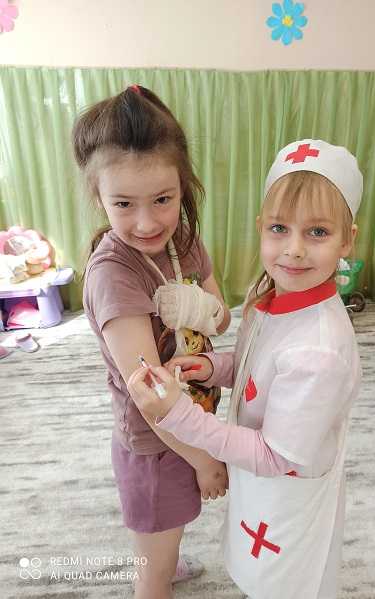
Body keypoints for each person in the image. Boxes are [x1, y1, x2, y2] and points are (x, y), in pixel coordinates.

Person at [127, 139, 363, 599]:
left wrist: (179, 415)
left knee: (286, 584)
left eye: (317, 232)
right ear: (260, 228)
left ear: (347, 239)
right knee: (257, 569)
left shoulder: (319, 353)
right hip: (259, 482)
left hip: (285, 489)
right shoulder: (272, 296)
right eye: (279, 228)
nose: (294, 250)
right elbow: (259, 365)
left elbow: (275, 456)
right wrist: (214, 367)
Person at [73, 84, 231, 599]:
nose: (147, 223)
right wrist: (204, 460)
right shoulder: (114, 276)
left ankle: (164, 556)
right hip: (159, 444)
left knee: (168, 527)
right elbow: (151, 399)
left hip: (194, 418)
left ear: (183, 187)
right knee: (152, 573)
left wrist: (200, 308)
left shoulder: (182, 238)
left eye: (163, 199)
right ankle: (156, 573)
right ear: (99, 198)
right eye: (124, 204)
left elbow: (221, 319)